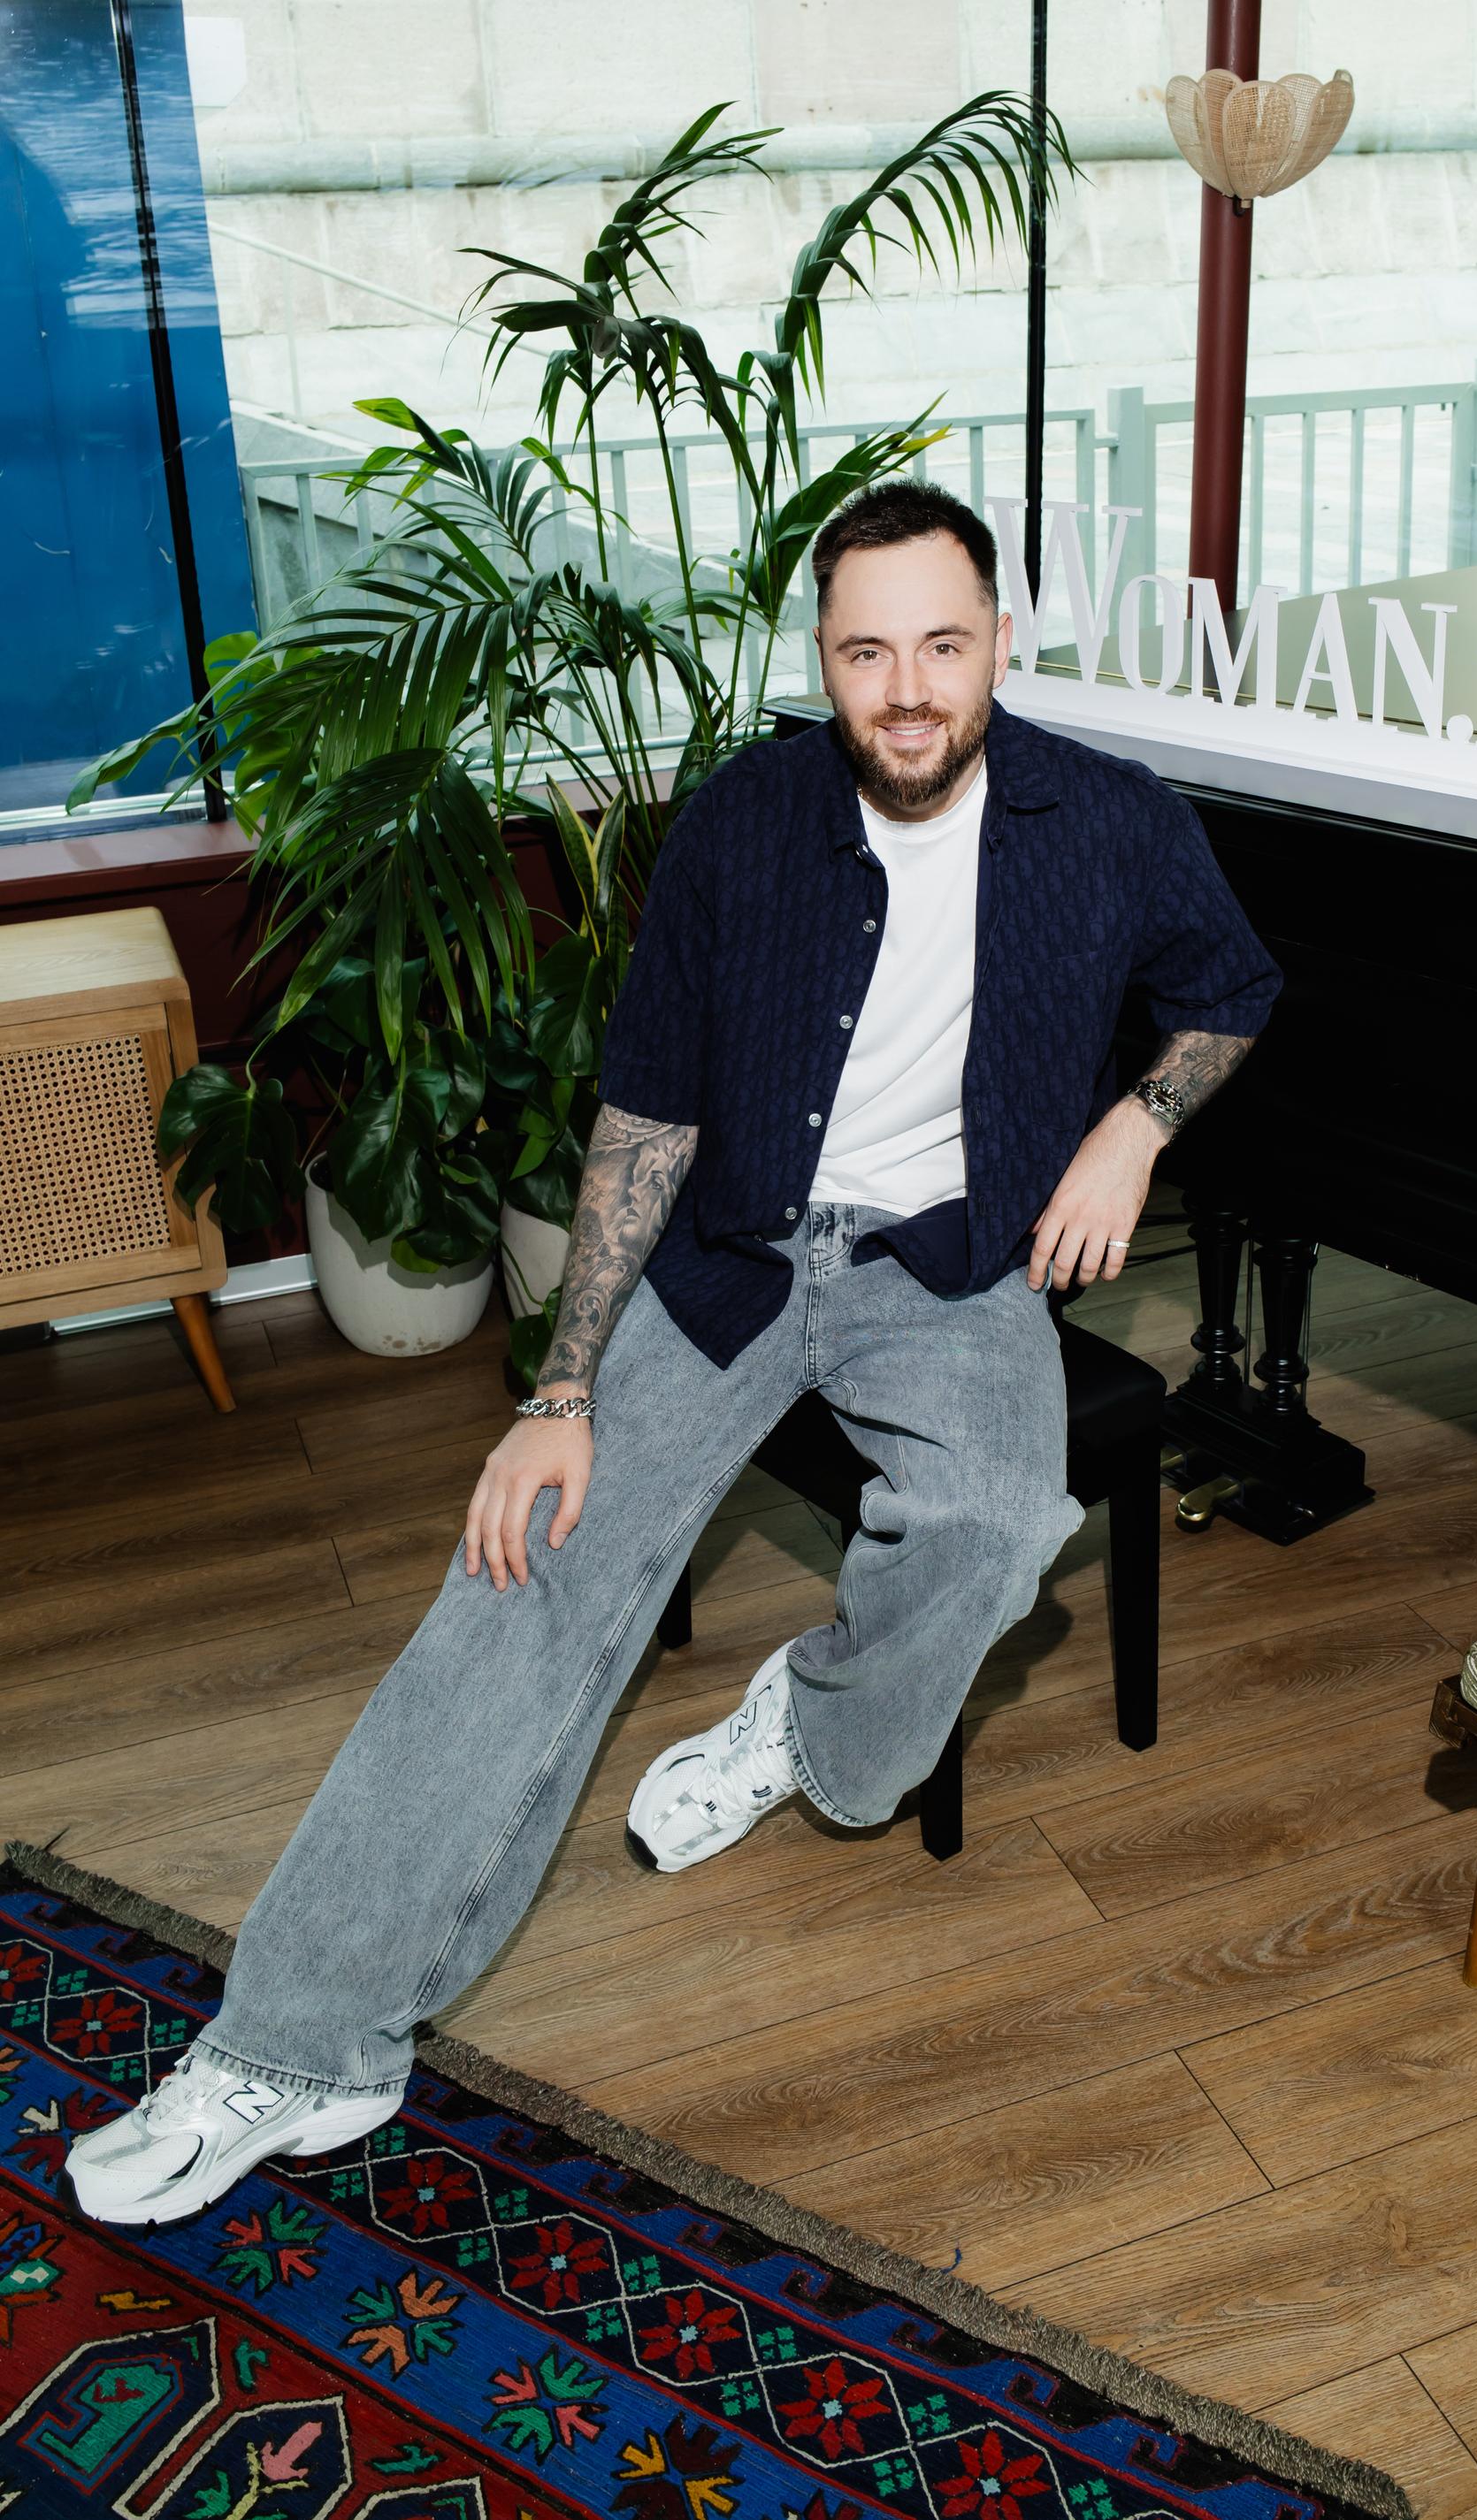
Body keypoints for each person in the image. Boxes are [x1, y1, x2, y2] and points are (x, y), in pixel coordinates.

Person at [66, 479, 1282, 2227]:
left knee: (1004, 1520)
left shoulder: (1110, 819)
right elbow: (643, 1114)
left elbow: (1233, 988)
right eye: (866, 653)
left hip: (951, 1270)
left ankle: (814, 1724)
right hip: (732, 1262)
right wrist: (558, 1393)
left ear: (1001, 644)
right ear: (824, 657)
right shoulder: (742, 823)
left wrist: (1132, 1130)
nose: (907, 690)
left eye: (943, 645)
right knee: (520, 1575)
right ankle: (302, 2047)